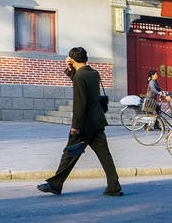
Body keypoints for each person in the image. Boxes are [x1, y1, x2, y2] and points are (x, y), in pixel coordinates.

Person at [37, 47, 122, 196]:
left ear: (73, 59)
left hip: (84, 125)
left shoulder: (79, 77)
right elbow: (82, 84)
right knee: (105, 155)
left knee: (69, 153)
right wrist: (71, 68)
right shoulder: (93, 73)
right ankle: (113, 186)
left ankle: (55, 185)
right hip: (98, 122)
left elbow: (80, 103)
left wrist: (76, 126)